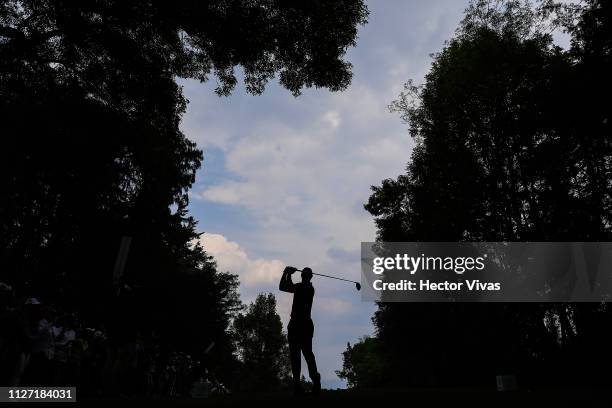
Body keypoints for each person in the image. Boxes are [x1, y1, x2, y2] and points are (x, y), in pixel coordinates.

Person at [279, 266, 321, 396]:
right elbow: (287, 287)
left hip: (297, 324)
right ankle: (313, 382)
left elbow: (283, 287)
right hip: (306, 324)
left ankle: (299, 384)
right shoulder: (309, 288)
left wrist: (286, 272)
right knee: (307, 354)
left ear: (302, 276)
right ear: (310, 277)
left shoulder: (303, 287)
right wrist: (287, 274)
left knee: (297, 355)